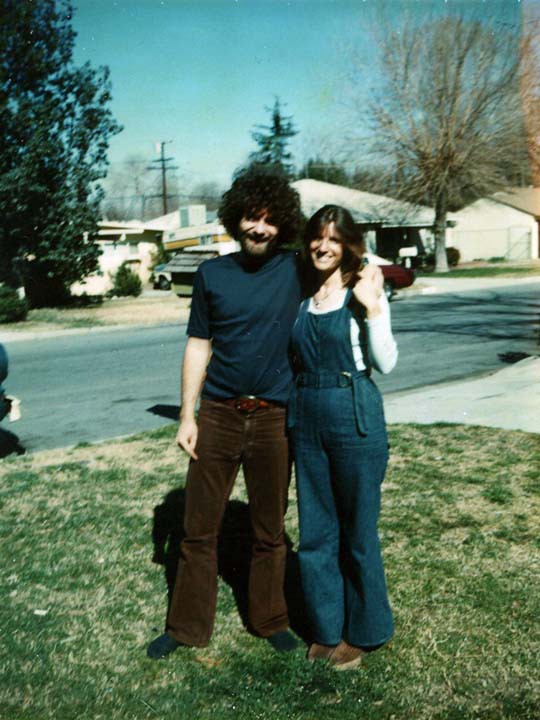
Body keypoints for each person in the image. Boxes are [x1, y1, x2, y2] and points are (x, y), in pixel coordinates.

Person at [147, 164, 303, 660]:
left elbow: (343, 256)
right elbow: (198, 344)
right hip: (218, 414)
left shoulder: (296, 268)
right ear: (235, 219)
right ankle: (187, 627)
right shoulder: (213, 274)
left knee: (269, 530)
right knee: (198, 529)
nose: (259, 227)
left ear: (283, 223)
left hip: (275, 417)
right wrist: (187, 416)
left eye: (270, 219)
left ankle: (270, 619)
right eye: (251, 218)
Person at [288, 205, 398, 670]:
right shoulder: (301, 294)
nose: (323, 246)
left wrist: (373, 309)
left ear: (348, 244)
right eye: (317, 237)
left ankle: (365, 630)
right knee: (315, 530)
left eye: (334, 239)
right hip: (306, 415)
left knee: (357, 530)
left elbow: (386, 362)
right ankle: (326, 627)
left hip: (354, 414)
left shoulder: (363, 289)